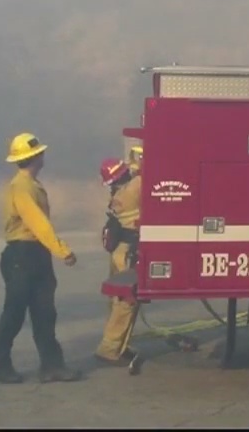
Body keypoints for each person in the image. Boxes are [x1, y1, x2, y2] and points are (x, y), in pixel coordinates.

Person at [0, 132, 83, 384]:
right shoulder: (22, 187)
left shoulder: (31, 185)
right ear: (36, 156)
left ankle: (52, 366)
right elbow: (38, 223)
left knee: (44, 313)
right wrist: (62, 249)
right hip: (22, 255)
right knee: (14, 313)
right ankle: (1, 367)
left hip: (35, 254)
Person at [95, 157, 142, 367]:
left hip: (119, 251)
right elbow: (148, 175)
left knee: (117, 301)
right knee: (126, 302)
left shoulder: (118, 193)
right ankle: (110, 349)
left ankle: (118, 346)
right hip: (127, 253)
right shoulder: (133, 189)